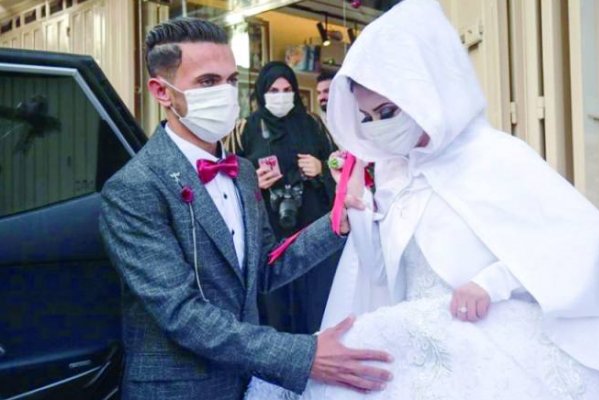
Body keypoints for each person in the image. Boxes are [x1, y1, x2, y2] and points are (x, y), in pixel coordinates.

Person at [244, 1, 599, 399]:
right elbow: (382, 276)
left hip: (499, 342)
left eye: (388, 111)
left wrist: (491, 284)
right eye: (368, 118)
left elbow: (572, 241)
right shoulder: (389, 174)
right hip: (424, 352)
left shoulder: (496, 157)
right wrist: (359, 212)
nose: (379, 127)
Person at [99, 18, 391, 400]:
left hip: (245, 385)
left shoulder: (243, 173)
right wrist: (305, 355)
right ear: (161, 91)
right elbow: (181, 313)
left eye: (231, 80)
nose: (225, 93)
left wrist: (340, 220)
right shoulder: (134, 187)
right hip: (179, 390)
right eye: (208, 82)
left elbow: (264, 268)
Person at [238, 62, 340, 334]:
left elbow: (340, 166)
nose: (281, 96)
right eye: (273, 90)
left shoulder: (313, 124)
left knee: (317, 300)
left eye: (287, 90)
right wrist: (252, 182)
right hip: (269, 230)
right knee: (274, 305)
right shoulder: (245, 129)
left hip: (312, 226)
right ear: (262, 92)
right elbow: (229, 178)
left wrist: (321, 168)